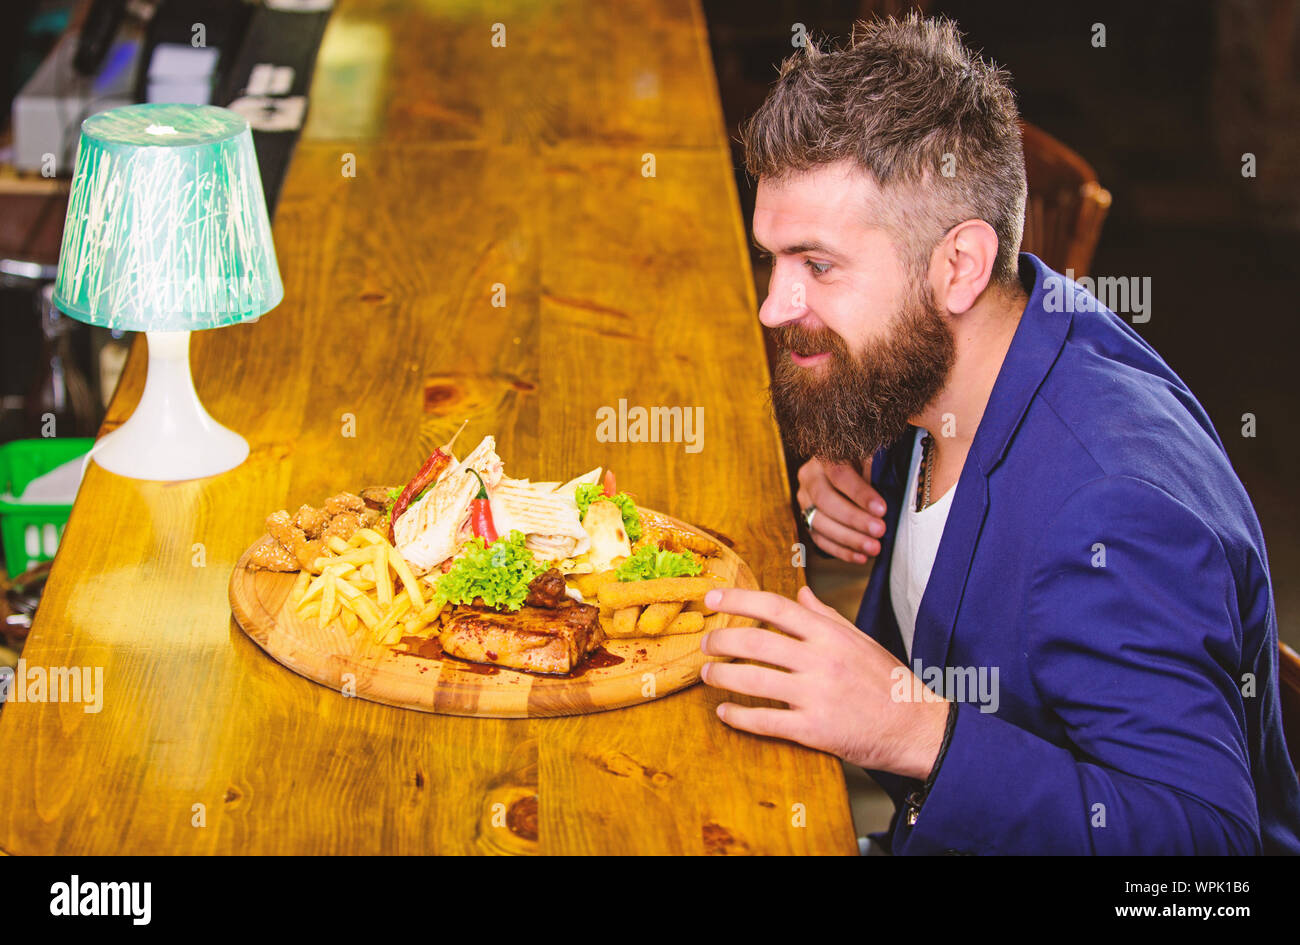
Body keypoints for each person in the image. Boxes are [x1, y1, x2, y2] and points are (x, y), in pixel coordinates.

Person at [699, 13, 1300, 854]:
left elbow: (1209, 866)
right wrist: (849, 443)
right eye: (773, 259)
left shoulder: (1112, 514)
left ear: (959, 264)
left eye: (818, 265)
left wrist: (914, 731)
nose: (773, 306)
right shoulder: (964, 353)